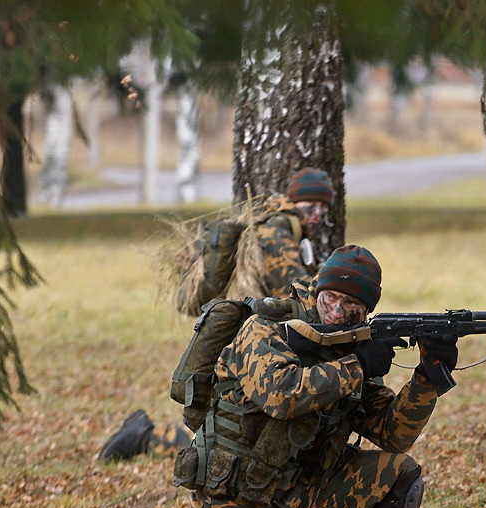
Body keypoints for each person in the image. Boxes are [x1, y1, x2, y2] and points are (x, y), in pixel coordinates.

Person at [99, 245, 459, 508]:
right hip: (240, 497)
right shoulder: (266, 328)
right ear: (318, 291)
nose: (337, 312)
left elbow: (394, 434)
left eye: (351, 306)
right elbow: (281, 394)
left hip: (299, 488)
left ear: (366, 310)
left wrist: (428, 376)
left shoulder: (346, 345)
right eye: (330, 299)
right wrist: (356, 366)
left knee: (399, 475)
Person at [98, 167, 337, 463]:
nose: (315, 215)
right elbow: (295, 290)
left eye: (322, 209)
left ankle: (146, 435)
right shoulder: (278, 232)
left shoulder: (281, 229)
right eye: (310, 206)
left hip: (245, 342)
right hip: (248, 345)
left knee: (230, 436)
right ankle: (146, 437)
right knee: (224, 443)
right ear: (294, 203)